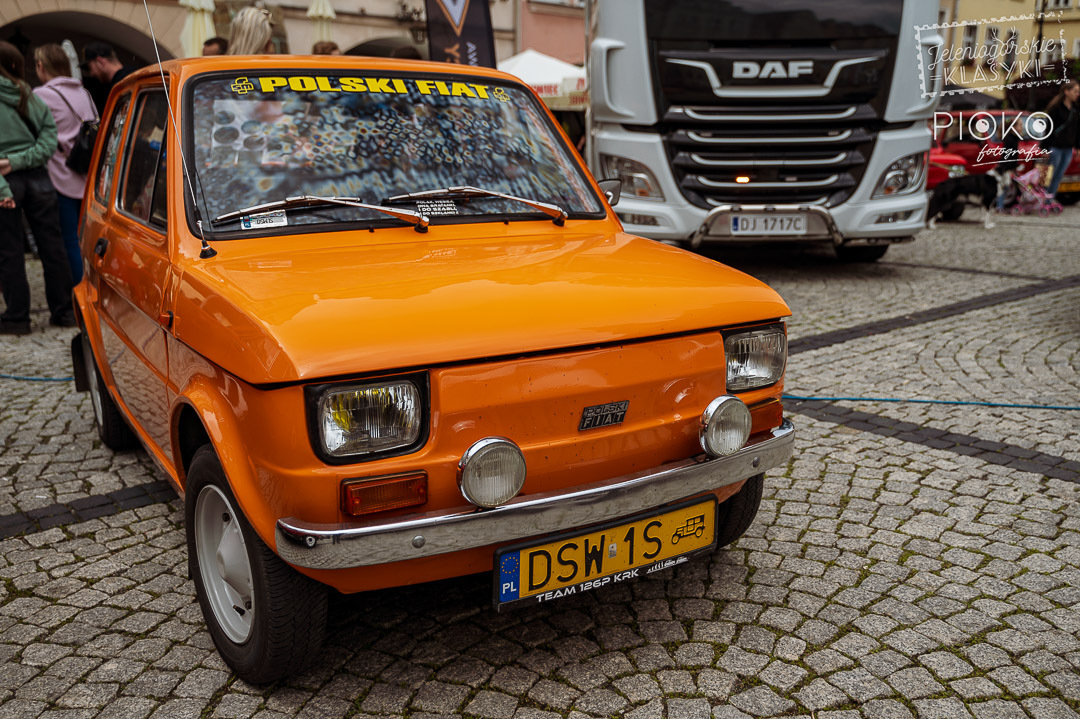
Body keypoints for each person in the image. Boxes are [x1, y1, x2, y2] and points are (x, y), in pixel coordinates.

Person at [0, 41, 75, 334]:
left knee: (9, 251)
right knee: (52, 247)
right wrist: (22, 160)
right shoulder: (30, 95)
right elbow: (48, 140)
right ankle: (64, 312)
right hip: (39, 179)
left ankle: (17, 318)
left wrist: (9, 167)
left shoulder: (30, 96)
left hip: (6, 181)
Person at [33, 43, 96, 284]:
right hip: (87, 174)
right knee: (87, 237)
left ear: (41, 66)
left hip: (60, 175)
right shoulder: (84, 93)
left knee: (69, 239)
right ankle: (92, 285)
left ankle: (79, 289)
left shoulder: (41, 95)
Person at [1043, 79, 1079, 198]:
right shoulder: (1056, 108)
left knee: (1059, 176)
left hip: (1068, 148)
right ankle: (1043, 200)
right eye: (1075, 91)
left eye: (1078, 92)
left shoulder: (1075, 109)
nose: (1077, 94)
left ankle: (1050, 200)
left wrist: (1078, 147)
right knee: (1050, 175)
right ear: (1066, 92)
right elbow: (1049, 129)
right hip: (1055, 147)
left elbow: (1077, 129)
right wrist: (1045, 148)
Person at [83, 42, 136, 115]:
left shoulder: (123, 83)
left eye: (90, 67)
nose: (91, 74)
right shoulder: (131, 75)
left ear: (100, 62)